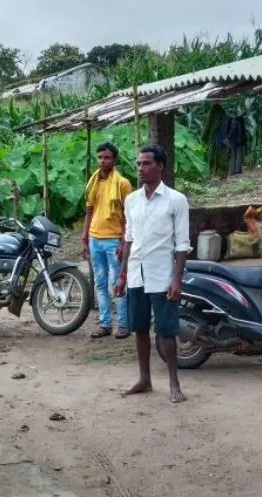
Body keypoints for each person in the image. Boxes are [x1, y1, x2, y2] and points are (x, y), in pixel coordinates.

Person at [115, 144, 190, 404]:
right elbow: (128, 240)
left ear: (160, 166)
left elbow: (182, 244)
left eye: (146, 163)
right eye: (138, 164)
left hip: (162, 274)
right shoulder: (132, 200)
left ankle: (174, 383)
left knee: (166, 331)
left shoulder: (176, 200)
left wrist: (177, 279)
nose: (141, 169)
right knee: (139, 328)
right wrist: (122, 275)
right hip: (137, 272)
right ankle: (145, 379)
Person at [82, 142, 134, 339]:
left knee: (117, 282)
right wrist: (84, 237)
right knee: (100, 284)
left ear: (114, 160)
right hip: (95, 238)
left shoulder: (123, 184)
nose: (103, 161)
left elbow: (128, 215)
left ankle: (123, 324)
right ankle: (105, 324)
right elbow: (89, 211)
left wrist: (123, 242)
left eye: (107, 158)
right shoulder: (93, 182)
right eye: (100, 157)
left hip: (114, 239)